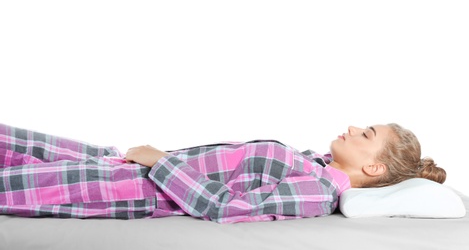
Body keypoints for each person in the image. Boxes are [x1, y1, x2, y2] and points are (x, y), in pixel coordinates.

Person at [0, 122, 446, 223]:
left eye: (366, 132)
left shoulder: (318, 192)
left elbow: (226, 207)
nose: (352, 127)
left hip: (136, 184)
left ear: (374, 165)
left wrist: (161, 161)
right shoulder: (316, 165)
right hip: (120, 160)